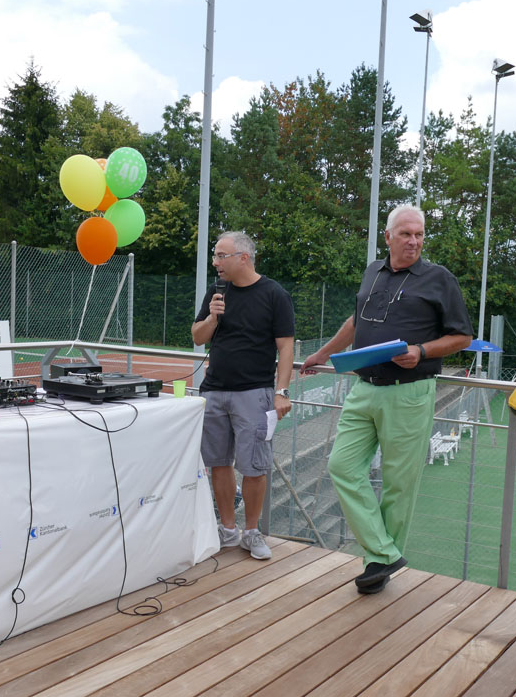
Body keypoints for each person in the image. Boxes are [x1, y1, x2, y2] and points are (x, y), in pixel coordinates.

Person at [300, 205, 472, 594]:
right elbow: (355, 321)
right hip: (364, 387)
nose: (414, 241)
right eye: (406, 234)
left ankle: (376, 566)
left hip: (409, 392)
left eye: (420, 234)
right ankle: (384, 551)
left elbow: (462, 337)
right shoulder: (373, 271)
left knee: (398, 485)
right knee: (341, 466)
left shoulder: (439, 278)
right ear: (388, 236)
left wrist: (421, 351)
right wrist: (323, 354)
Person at [193, 231, 295, 560]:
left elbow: (286, 346)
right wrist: (212, 317)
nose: (215, 262)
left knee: (254, 467)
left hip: (255, 393)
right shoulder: (216, 291)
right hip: (214, 391)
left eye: (221, 256)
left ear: (243, 258)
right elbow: (197, 337)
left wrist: (281, 392)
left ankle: (251, 532)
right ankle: (227, 529)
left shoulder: (274, 294)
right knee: (218, 463)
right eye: (215, 255)